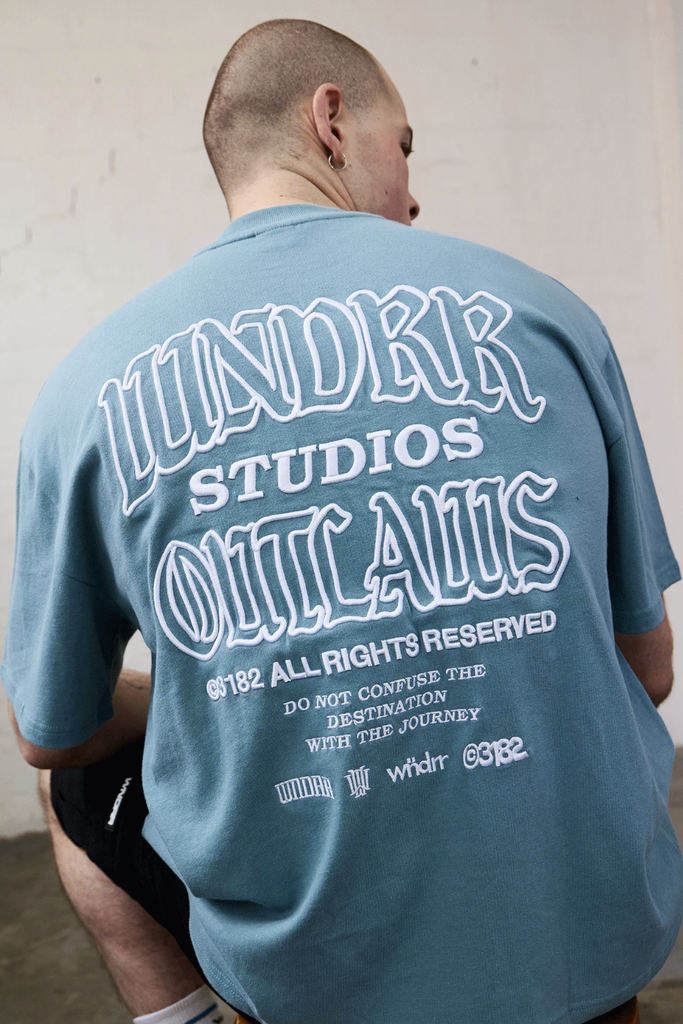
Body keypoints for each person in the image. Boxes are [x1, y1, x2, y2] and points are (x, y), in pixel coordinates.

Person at [2, 17, 680, 1024]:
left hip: (314, 986)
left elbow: (50, 733)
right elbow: (647, 669)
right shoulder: (545, 313)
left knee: (74, 794)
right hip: (586, 951)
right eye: (402, 145)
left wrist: (198, 692)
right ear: (329, 120)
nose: (413, 192)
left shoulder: (83, 395)